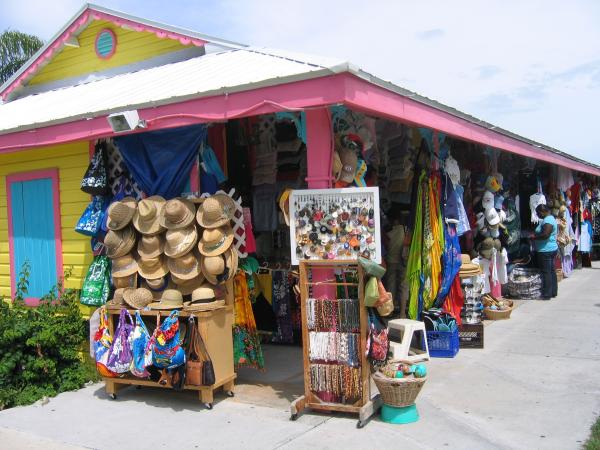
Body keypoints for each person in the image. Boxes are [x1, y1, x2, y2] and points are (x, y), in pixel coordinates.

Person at [532, 204, 558, 299]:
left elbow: (545, 235)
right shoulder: (550, 218)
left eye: (538, 213)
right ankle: (553, 292)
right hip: (550, 249)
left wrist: (534, 237)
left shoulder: (548, 220)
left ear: (543, 212)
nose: (537, 215)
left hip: (545, 250)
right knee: (551, 271)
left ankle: (547, 294)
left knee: (546, 272)